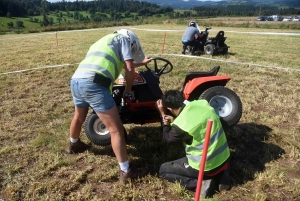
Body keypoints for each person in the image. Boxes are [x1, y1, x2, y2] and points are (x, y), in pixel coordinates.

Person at [68, 29, 152, 183]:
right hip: (95, 84)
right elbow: (129, 68)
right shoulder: (123, 39)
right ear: (131, 40)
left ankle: (74, 145)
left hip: (76, 80)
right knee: (116, 129)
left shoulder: (103, 41)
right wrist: (127, 91)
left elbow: (119, 62)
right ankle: (126, 171)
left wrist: (142, 62)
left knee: (78, 117)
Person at [156, 90, 231, 196]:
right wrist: (174, 121)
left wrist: (163, 116)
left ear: (170, 109)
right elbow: (196, 123)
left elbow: (168, 139)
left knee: (163, 170)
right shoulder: (202, 104)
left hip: (205, 167)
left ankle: (200, 183)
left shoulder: (181, 124)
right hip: (223, 158)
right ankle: (222, 176)